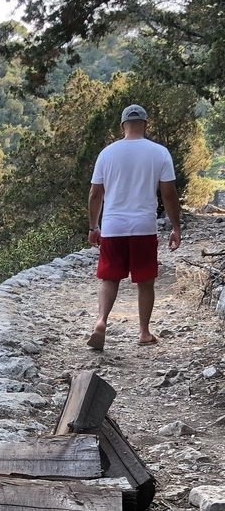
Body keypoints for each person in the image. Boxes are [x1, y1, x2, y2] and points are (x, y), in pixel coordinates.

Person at [86, 104, 181, 351]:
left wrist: (94, 226)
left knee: (109, 279)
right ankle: (144, 333)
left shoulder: (107, 154)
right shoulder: (159, 153)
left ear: (122, 126)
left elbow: (95, 194)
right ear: (146, 124)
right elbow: (169, 195)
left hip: (113, 226)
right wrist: (176, 227)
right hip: (144, 226)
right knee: (145, 282)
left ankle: (101, 321)